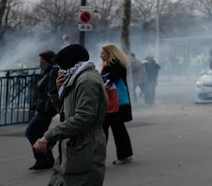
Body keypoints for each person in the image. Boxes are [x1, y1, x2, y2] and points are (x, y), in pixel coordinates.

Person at [33, 44, 108, 186]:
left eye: (62, 67)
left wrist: (49, 135)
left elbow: (83, 118)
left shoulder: (87, 81)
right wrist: (56, 91)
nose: (60, 71)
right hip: (71, 153)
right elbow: (65, 113)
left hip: (85, 152)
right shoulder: (76, 79)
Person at [100, 43, 134, 164]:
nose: (100, 55)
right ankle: (125, 155)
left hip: (115, 103)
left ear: (110, 54)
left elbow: (107, 80)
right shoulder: (116, 65)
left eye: (103, 53)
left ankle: (98, 157)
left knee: (105, 129)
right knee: (118, 129)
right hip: (118, 102)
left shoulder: (114, 66)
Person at [25, 50, 59, 170]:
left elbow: (50, 92)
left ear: (47, 60)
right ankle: (46, 159)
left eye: (42, 60)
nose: (40, 63)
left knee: (31, 132)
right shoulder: (48, 71)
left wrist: (43, 108)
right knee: (39, 133)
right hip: (43, 109)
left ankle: (43, 159)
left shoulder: (52, 71)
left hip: (45, 110)